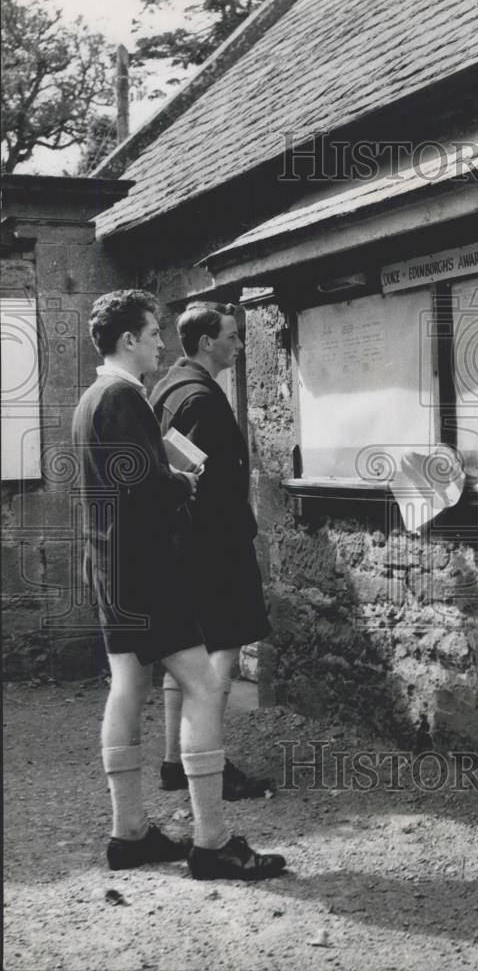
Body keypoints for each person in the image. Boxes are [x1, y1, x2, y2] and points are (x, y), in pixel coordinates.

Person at [72, 289, 285, 880]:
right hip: (148, 571)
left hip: (110, 568)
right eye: (152, 333)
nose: (162, 343)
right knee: (200, 685)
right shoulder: (123, 398)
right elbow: (146, 487)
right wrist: (181, 481)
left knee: (127, 687)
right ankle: (213, 842)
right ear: (128, 341)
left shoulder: (90, 399)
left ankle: (130, 833)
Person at [150, 302, 270, 801]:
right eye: (232, 336)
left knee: (185, 657)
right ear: (206, 342)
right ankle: (210, 765)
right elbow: (191, 484)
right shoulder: (199, 398)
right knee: (219, 654)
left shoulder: (169, 387)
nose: (239, 346)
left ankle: (176, 762)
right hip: (211, 547)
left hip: (187, 546)